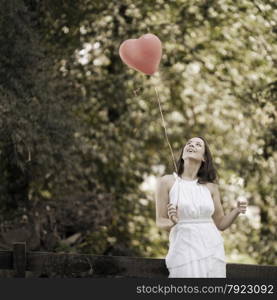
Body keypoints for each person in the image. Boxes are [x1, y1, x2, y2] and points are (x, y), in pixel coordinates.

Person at [155, 136, 248, 278]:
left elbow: (221, 224)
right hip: (183, 247)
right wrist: (172, 222)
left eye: (198, 144)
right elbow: (160, 220)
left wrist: (236, 211)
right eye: (189, 143)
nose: (191, 145)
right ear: (183, 154)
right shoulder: (167, 181)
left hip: (212, 246)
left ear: (204, 157)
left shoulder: (211, 187)